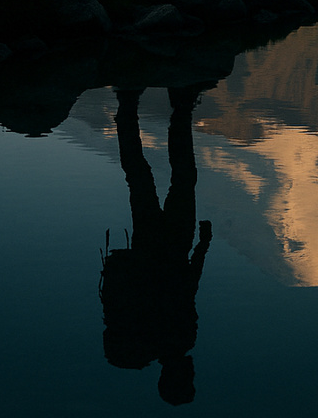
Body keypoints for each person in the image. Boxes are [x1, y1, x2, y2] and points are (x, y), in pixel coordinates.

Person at [100, 87, 212, 406]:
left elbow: (188, 287)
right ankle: (129, 107)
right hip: (149, 248)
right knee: (139, 178)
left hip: (173, 245)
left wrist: (203, 245)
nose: (192, 372)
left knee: (180, 178)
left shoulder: (181, 338)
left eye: (187, 378)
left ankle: (179, 108)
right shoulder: (154, 342)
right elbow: (185, 289)